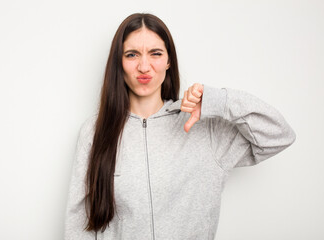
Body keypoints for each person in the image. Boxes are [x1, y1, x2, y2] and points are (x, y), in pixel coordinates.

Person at [64, 13, 296, 240]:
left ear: (168, 61)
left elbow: (279, 135)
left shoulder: (206, 130)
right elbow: (78, 225)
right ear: (119, 63)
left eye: (155, 53)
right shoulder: (95, 132)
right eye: (132, 54)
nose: (144, 66)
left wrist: (218, 101)